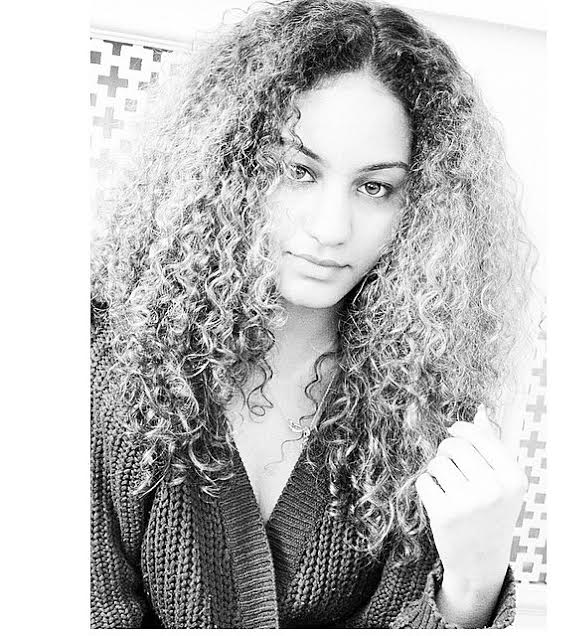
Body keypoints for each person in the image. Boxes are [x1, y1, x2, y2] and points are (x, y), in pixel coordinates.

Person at [90, 0, 535, 628]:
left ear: (421, 206)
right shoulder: (104, 358)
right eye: (298, 171)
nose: (331, 228)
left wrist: (475, 580)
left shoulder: (428, 406)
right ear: (227, 164)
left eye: (375, 187)